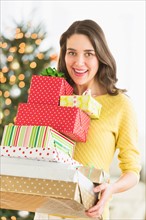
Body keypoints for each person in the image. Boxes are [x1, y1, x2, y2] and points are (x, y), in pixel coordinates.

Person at [34, 19, 141, 220]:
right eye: (72, 52)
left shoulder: (120, 105)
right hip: (48, 211)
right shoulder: (54, 96)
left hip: (88, 213)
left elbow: (133, 170)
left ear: (101, 56)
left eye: (89, 54)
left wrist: (112, 188)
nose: (79, 62)